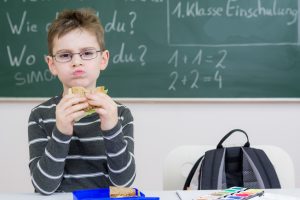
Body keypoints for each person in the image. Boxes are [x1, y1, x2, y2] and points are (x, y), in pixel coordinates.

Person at [27, 8, 135, 195]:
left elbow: (123, 185)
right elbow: (43, 187)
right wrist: (61, 132)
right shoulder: (40, 115)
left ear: (103, 59)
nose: (77, 62)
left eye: (87, 53)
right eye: (65, 55)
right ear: (52, 65)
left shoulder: (120, 113)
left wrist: (111, 127)